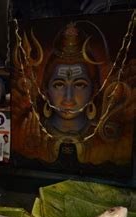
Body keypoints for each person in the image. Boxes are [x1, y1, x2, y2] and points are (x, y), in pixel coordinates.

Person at [12, 21, 133, 170]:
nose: (68, 97)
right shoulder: (28, 132)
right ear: (45, 90)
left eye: (79, 84)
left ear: (94, 89)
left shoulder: (109, 139)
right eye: (59, 84)